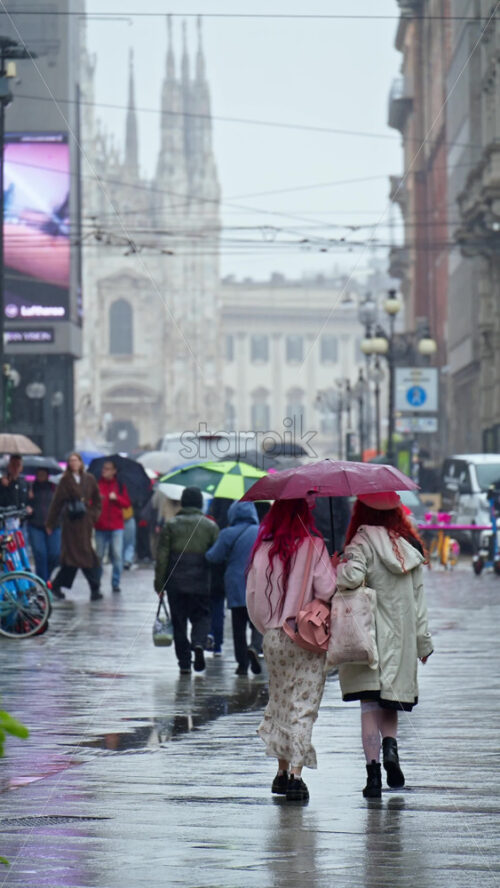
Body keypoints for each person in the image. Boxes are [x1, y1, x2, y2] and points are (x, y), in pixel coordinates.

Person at [335, 491, 434, 799]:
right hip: (401, 638)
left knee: (369, 705)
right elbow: (419, 602)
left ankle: (373, 775)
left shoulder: (361, 542)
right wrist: (423, 643)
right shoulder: (409, 548)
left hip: (367, 636)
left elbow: (349, 579)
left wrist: (339, 563)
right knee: (392, 700)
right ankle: (392, 748)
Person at [246, 498, 337, 803]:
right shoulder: (313, 546)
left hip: (273, 636)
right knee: (303, 705)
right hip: (306, 637)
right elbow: (327, 590)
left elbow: (253, 596)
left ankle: (281, 772)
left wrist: (268, 627)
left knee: (280, 701)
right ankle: (297, 777)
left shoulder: (263, 549)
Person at [154, 486, 219, 675]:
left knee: (179, 621)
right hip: (201, 581)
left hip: (176, 582)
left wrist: (160, 584)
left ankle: (184, 662)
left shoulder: (171, 525)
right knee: (202, 616)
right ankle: (199, 643)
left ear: (182, 502)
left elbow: (162, 557)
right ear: (200, 504)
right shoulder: (210, 527)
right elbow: (216, 557)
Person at [206, 500, 262, 675]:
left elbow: (213, 557)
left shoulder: (227, 533)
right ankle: (255, 646)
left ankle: (242, 665)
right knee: (258, 623)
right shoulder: (261, 532)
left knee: (238, 627)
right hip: (258, 582)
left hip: (236, 584)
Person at [46, 452, 102, 601]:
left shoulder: (89, 479)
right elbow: (56, 503)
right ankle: (94, 588)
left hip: (85, 523)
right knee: (77, 557)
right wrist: (50, 523)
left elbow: (97, 500)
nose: (73, 463)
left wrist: (92, 516)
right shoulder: (65, 480)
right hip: (71, 523)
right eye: (70, 461)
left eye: (75, 460)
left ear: (80, 462)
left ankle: (56, 584)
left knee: (80, 557)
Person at [94, 460, 131, 593]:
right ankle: (96, 583)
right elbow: (91, 501)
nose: (105, 471)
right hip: (100, 526)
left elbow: (127, 503)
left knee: (117, 555)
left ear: (114, 471)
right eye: (104, 468)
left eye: (108, 469)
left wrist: (117, 498)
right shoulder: (97, 484)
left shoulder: (120, 485)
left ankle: (115, 583)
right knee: (98, 556)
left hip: (116, 526)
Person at [27, 468, 61, 582]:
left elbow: (60, 506)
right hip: (35, 524)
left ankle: (47, 577)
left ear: (47, 475)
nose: (41, 476)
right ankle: (42, 581)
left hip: (54, 525)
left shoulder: (54, 488)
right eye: (39, 474)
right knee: (40, 554)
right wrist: (27, 498)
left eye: (43, 474)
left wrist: (52, 523)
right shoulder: (30, 487)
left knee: (55, 554)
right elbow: (24, 505)